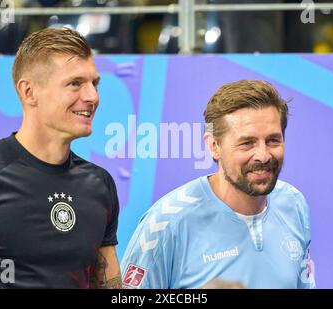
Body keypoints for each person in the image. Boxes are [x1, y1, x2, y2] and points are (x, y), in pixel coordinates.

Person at [0, 27, 121, 289]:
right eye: (75, 83)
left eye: (94, 83)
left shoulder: (100, 183)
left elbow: (110, 286)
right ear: (29, 92)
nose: (92, 96)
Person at [121, 80, 315, 289]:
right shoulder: (166, 223)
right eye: (247, 143)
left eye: (273, 141)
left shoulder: (293, 203)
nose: (263, 155)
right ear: (214, 146)